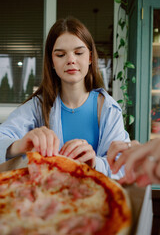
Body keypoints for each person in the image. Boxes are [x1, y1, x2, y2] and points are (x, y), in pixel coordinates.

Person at [0, 17, 130, 178]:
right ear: (52, 62)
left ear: (90, 57)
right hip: (47, 198)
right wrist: (20, 145)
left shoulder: (108, 108)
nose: (71, 60)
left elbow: (121, 166)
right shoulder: (37, 106)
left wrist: (95, 163)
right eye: (61, 55)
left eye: (78, 53)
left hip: (95, 197)